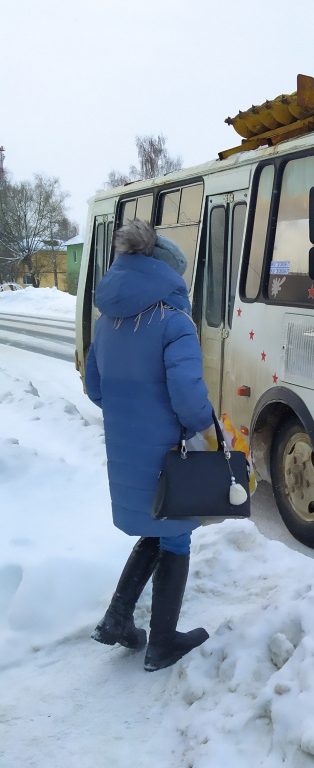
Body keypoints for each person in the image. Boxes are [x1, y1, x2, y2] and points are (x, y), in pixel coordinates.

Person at [86, 220, 215, 672]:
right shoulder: (173, 321)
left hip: (126, 445)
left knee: (156, 524)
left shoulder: (107, 324)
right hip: (167, 451)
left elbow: (94, 389)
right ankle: (162, 642)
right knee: (175, 535)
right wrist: (208, 427)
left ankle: (117, 619)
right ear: (166, 273)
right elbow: (189, 399)